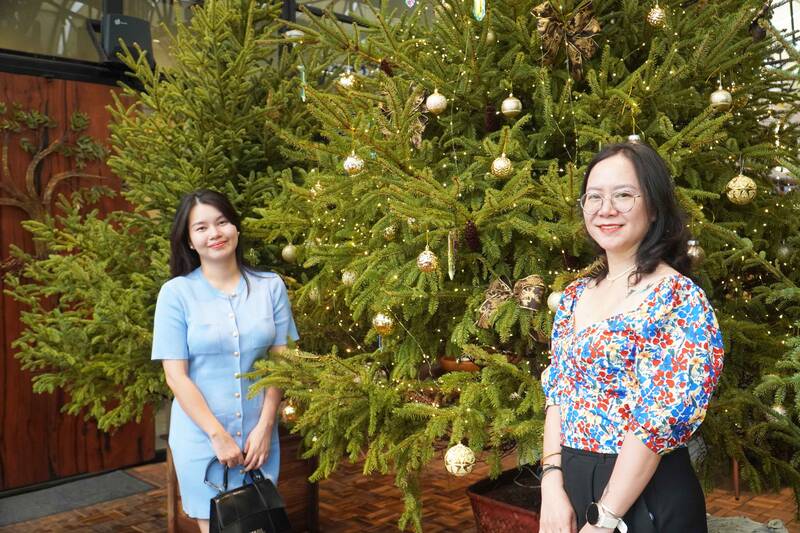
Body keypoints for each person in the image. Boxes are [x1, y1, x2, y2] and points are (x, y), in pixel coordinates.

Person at [539, 142, 725, 533]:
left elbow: (657, 422)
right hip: (572, 483)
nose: (606, 209)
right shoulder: (574, 296)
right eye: (594, 197)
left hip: (645, 494)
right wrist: (551, 485)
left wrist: (604, 519)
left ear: (654, 207)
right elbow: (558, 394)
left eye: (624, 195)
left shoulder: (678, 299)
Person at [152, 189, 299, 532]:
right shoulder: (175, 295)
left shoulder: (270, 286)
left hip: (257, 441)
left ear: (235, 228)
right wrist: (217, 435)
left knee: (259, 524)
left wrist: (265, 428)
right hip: (202, 439)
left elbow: (282, 363)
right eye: (201, 227)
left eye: (221, 222)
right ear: (189, 241)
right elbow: (176, 377)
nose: (214, 233)